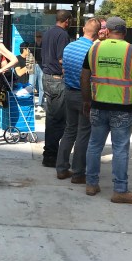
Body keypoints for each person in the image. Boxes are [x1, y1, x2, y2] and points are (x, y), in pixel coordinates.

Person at [81, 16, 132, 204]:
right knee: (120, 148)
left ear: (107, 31)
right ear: (125, 31)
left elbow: (84, 77)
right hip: (123, 108)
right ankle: (120, 190)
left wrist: (86, 101)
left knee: (94, 145)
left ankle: (91, 184)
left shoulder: (95, 48)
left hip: (98, 105)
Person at [56, 18, 100, 183]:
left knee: (69, 131)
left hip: (69, 92)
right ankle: (78, 173)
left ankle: (61, 168)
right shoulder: (94, 50)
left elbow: (64, 68)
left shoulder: (69, 47)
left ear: (83, 29)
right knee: (83, 134)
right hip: (85, 95)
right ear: (97, 35)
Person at [41, 10, 72, 167]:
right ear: (66, 21)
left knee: (51, 117)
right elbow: (62, 59)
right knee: (59, 119)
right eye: (70, 21)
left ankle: (49, 152)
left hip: (46, 78)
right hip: (57, 79)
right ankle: (52, 155)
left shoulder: (47, 33)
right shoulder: (63, 35)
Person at [32, 32, 45, 112]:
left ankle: (40, 103)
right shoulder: (32, 45)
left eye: (40, 36)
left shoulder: (44, 46)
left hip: (42, 66)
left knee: (41, 86)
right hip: (33, 66)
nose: (38, 38)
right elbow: (29, 56)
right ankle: (31, 103)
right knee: (31, 85)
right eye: (37, 36)